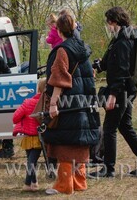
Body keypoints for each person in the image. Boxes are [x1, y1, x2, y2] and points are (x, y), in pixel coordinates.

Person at [89, 7, 137, 178]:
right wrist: (98, 66)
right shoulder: (122, 39)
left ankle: (108, 169)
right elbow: (110, 63)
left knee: (109, 129)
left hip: (121, 91)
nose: (108, 27)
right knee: (125, 127)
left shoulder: (122, 42)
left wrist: (113, 96)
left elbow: (121, 71)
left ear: (114, 22)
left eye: (108, 23)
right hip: (128, 89)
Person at [43, 13, 99, 195]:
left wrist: (53, 104)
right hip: (83, 102)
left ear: (58, 30)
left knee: (65, 144)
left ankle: (64, 185)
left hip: (68, 104)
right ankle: (80, 182)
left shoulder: (62, 50)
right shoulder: (83, 48)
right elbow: (90, 75)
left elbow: (59, 79)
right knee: (79, 142)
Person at [12, 78, 46, 192]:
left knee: (31, 161)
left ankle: (28, 183)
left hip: (27, 137)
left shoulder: (27, 103)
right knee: (32, 161)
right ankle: (34, 183)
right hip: (40, 138)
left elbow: (15, 117)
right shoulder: (47, 104)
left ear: (38, 89)